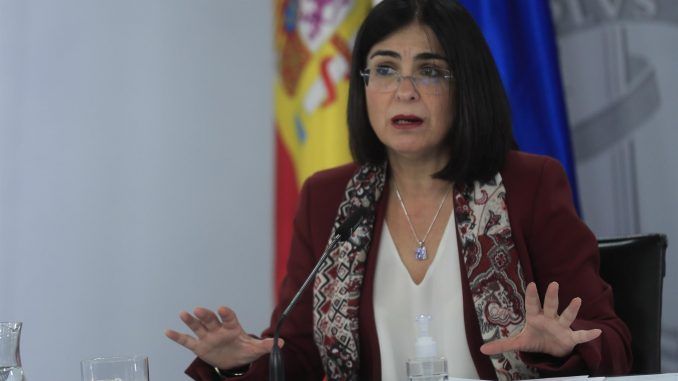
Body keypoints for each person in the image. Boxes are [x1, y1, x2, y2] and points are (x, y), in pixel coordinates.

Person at [165, 0, 633, 379]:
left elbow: (612, 342)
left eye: (429, 71)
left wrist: (561, 347)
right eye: (385, 70)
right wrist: (239, 363)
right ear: (363, 87)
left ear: (465, 86)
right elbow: (299, 355)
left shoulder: (527, 185)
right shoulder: (329, 200)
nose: (403, 91)